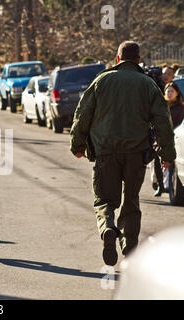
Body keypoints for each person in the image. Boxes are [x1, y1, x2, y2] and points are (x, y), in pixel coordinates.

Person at [70, 41, 176, 266]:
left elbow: (82, 115)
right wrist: (168, 154)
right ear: (138, 60)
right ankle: (129, 248)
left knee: (104, 199)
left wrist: (77, 145)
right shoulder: (148, 84)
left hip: (105, 152)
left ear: (117, 59)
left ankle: (108, 227)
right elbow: (162, 121)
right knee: (131, 200)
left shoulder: (101, 81)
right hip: (136, 154)